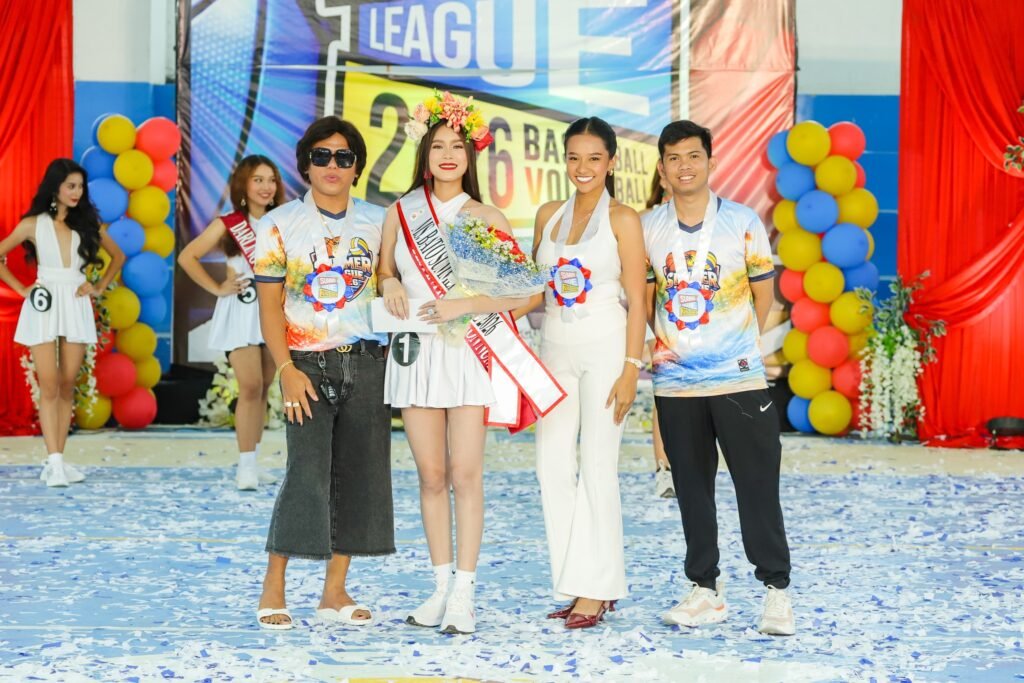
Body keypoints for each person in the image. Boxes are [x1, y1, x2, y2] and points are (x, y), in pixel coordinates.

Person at [378, 92, 545, 635]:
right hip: (416, 354)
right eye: (438, 146)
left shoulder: (486, 217)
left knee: (465, 474)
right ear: (424, 154)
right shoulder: (400, 212)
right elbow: (385, 271)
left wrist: (467, 306)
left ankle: (465, 593)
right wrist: (390, 282)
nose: (447, 155)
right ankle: (439, 587)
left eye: (457, 146)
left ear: (470, 155)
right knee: (430, 476)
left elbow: (526, 293)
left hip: (468, 354)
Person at [644, 120, 794, 636]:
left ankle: (776, 591)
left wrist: (732, 344)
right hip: (676, 384)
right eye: (674, 158)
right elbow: (648, 300)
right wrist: (678, 347)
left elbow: (763, 295)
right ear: (661, 168)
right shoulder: (649, 227)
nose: (684, 166)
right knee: (692, 490)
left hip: (739, 380)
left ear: (711, 161)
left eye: (693, 156)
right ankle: (705, 589)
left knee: (757, 487)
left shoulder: (743, 221)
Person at [252, 117, 394, 630]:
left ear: (356, 168)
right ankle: (273, 585)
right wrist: (286, 368)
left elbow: (391, 281)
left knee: (359, 473)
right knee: (306, 473)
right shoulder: (278, 225)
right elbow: (270, 308)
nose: (332, 165)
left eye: (343, 157)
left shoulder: (380, 222)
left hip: (368, 361)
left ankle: (334, 591)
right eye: (321, 156)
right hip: (306, 365)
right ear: (306, 165)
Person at [522, 117, 646, 629]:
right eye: (574, 157)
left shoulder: (624, 219)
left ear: (611, 162)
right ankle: (576, 581)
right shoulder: (547, 215)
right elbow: (532, 291)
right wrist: (480, 306)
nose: (583, 167)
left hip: (606, 348)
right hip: (554, 349)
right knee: (550, 465)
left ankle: (598, 589)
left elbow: (638, 298)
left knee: (597, 465)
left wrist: (631, 368)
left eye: (594, 158)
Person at [0, 159, 125, 487]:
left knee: (68, 382)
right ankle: (54, 460)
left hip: (76, 301)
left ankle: (59, 459)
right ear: (55, 187)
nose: (76, 192)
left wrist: (97, 287)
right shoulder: (32, 224)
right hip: (44, 302)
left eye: (80, 186)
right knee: (50, 383)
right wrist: (21, 289)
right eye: (71, 185)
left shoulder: (87, 223)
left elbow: (118, 257)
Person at [178, 155, 285, 490]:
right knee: (250, 385)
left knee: (265, 385)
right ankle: (244, 466)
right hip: (241, 309)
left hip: (273, 309)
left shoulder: (284, 220)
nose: (266, 187)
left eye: (271, 180)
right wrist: (217, 288)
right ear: (243, 184)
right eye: (258, 180)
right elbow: (187, 257)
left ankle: (254, 461)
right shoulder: (229, 223)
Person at [640, 168, 675, 499]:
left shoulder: (709, 218)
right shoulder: (645, 220)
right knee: (664, 393)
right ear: (661, 178)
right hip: (656, 316)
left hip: (697, 320)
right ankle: (664, 469)